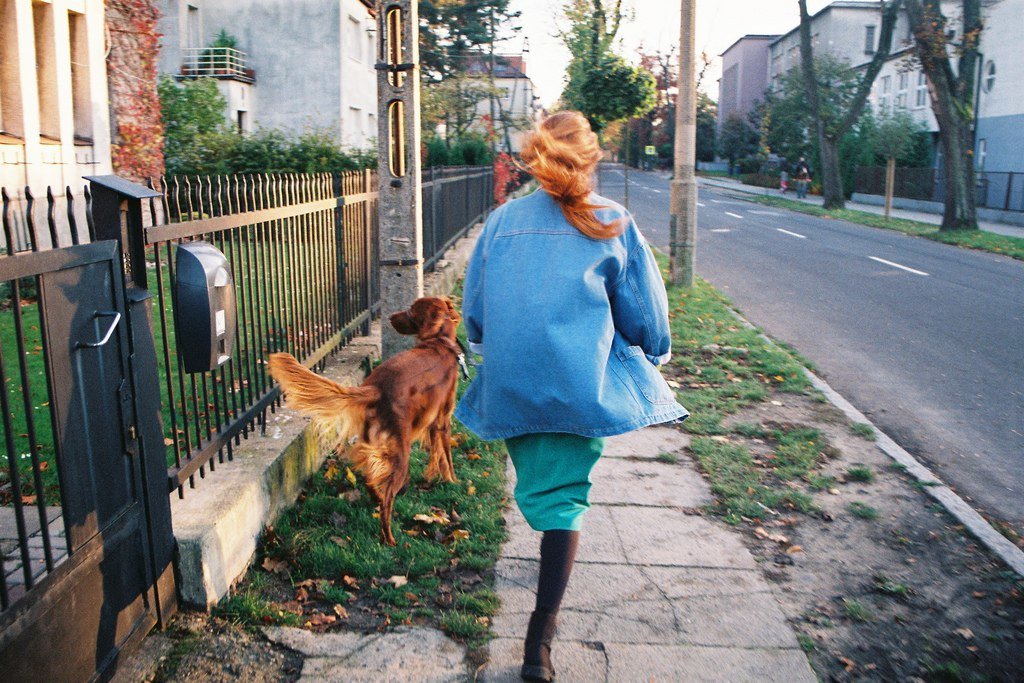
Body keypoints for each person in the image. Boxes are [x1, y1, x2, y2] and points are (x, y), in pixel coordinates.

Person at [455, 111, 688, 682]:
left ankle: (547, 539)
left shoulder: (502, 221)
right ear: (591, 157)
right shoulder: (612, 221)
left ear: (536, 158)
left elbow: (476, 313)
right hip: (579, 383)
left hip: (512, 384)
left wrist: (488, 347)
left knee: (546, 484)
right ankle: (539, 641)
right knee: (563, 500)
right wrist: (653, 352)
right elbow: (644, 315)